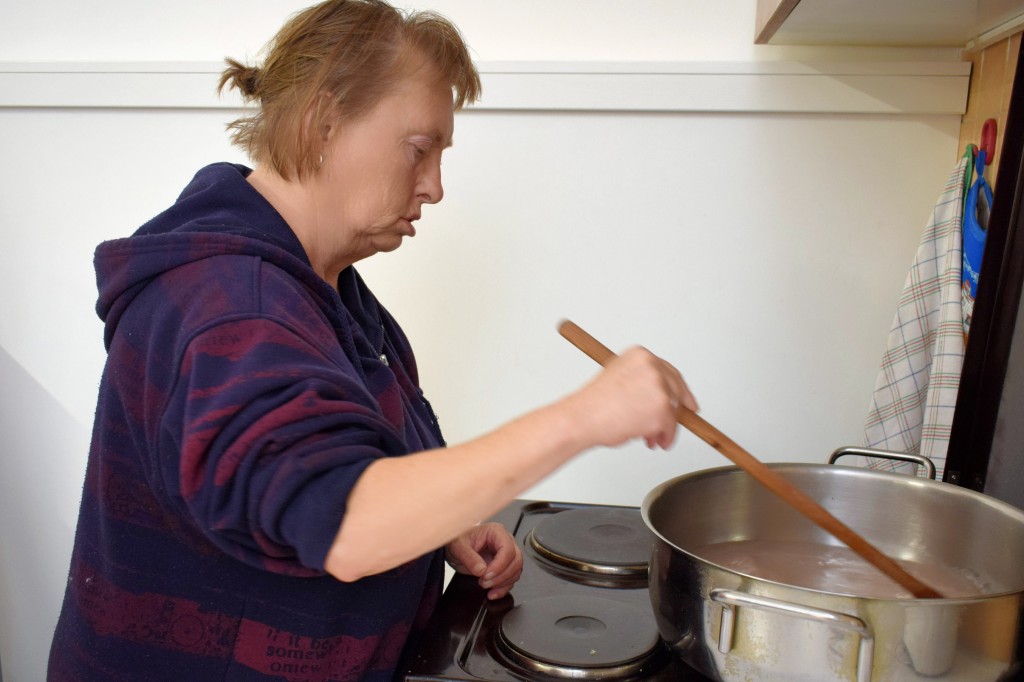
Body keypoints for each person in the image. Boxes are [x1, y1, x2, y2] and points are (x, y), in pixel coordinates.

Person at [47, 1, 697, 680]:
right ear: (322, 122)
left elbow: (309, 481)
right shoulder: (235, 310)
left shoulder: (324, 289)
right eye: (418, 150)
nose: (435, 187)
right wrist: (585, 416)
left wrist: (432, 526)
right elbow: (345, 522)